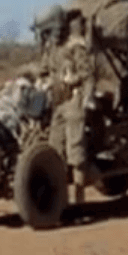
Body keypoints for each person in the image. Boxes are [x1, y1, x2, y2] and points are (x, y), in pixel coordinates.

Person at [47, 11, 96, 193]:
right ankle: (61, 196)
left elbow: (88, 75)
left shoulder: (75, 47)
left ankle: (79, 196)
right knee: (55, 149)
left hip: (74, 102)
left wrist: (85, 95)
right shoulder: (53, 50)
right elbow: (47, 71)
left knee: (76, 152)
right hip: (59, 103)